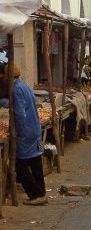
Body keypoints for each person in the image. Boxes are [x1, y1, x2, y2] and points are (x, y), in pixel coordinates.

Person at [5, 63, 48, 205]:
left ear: (8, 76)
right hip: (34, 128)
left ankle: (36, 195)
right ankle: (42, 193)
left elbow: (20, 114)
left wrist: (15, 130)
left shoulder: (16, 89)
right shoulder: (24, 86)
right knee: (35, 163)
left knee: (20, 167)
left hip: (25, 132)